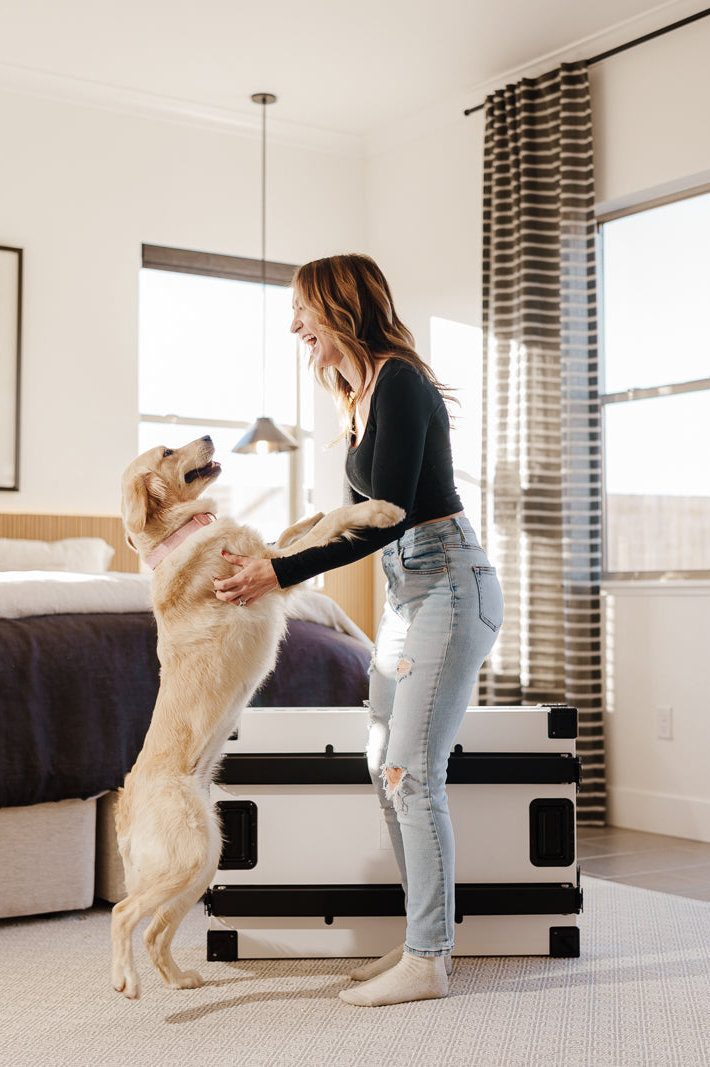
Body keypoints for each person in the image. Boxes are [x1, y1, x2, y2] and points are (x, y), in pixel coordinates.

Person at [214, 253, 503, 1007]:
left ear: (339, 304)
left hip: (447, 581)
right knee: (385, 766)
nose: (293, 324)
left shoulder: (401, 380)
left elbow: (392, 514)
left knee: (411, 770)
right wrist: (277, 552)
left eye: (302, 308)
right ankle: (421, 940)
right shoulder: (357, 395)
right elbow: (347, 517)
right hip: (408, 592)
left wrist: (282, 574)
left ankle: (429, 957)